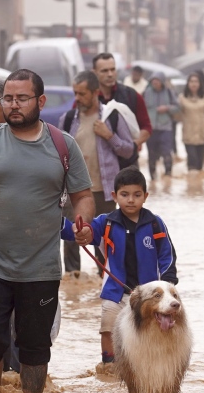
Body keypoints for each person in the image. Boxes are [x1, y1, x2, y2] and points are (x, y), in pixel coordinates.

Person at [0, 69, 96, 393]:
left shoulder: (62, 145)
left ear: (40, 101)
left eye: (22, 98)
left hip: (41, 267)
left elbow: (83, 196)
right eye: (8, 99)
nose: (13, 105)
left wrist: (83, 223)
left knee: (34, 346)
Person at [65, 167, 177, 373]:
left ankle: (148, 368)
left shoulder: (155, 224)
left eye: (137, 195)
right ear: (114, 196)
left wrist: (169, 281)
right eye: (125, 195)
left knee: (151, 331)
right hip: (115, 292)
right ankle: (109, 367)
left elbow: (167, 255)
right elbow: (81, 233)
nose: (131, 200)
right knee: (108, 328)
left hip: (148, 296)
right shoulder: (105, 223)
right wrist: (68, 226)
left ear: (146, 196)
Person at [61, 70, 134, 275]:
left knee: (104, 239)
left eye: (82, 93)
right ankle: (73, 281)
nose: (77, 98)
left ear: (95, 93)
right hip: (73, 190)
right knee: (71, 239)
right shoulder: (67, 120)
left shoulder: (111, 117)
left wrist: (109, 135)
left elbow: (129, 150)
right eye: (75, 93)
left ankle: (105, 280)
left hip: (104, 190)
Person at [92, 52, 152, 166]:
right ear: (94, 73)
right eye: (104, 71)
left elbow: (146, 127)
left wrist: (134, 145)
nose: (110, 74)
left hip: (128, 163)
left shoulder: (131, 96)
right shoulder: (88, 99)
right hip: (98, 165)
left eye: (113, 69)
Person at [179, 73, 204, 176]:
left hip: (203, 136)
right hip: (188, 136)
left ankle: (198, 190)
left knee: (200, 165)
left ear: (200, 84)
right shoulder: (182, 98)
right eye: (191, 81)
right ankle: (191, 188)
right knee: (192, 162)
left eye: (196, 81)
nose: (194, 84)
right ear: (188, 83)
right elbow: (177, 116)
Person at [143, 73, 179, 181]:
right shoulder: (146, 92)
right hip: (151, 129)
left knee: (167, 153)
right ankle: (152, 179)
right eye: (153, 81)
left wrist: (167, 108)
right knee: (152, 154)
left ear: (162, 82)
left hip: (166, 128)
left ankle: (168, 177)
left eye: (157, 81)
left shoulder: (169, 92)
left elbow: (178, 107)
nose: (155, 83)